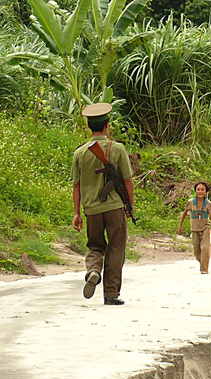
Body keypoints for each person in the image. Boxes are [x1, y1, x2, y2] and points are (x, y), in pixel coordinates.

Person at [72, 103, 133, 306]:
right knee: (116, 249)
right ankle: (110, 294)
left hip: (91, 210)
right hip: (114, 207)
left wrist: (77, 213)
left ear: (89, 127)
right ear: (107, 126)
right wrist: (129, 205)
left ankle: (93, 271)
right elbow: (127, 181)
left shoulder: (80, 153)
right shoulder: (117, 148)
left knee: (95, 245)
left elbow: (76, 185)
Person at [178, 182, 211, 274]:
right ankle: (203, 262)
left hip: (205, 228)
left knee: (205, 249)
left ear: (206, 192)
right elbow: (185, 213)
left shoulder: (209, 204)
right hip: (194, 229)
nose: (200, 191)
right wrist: (180, 226)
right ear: (195, 191)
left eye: (202, 189)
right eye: (198, 189)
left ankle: (204, 269)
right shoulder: (190, 202)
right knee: (196, 252)